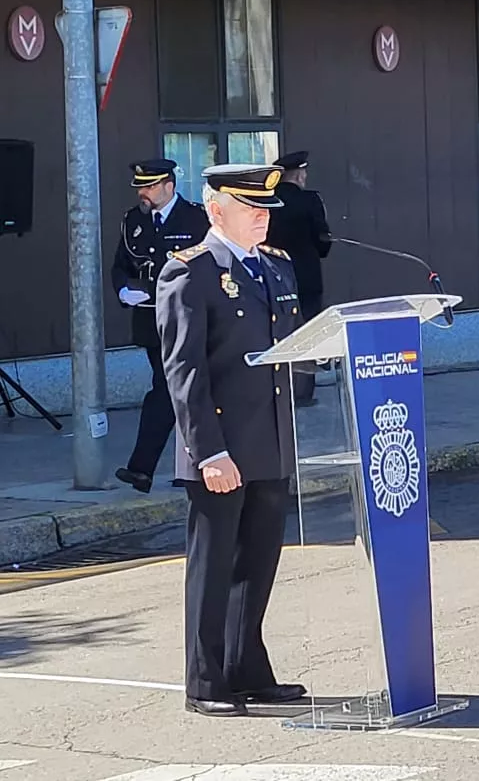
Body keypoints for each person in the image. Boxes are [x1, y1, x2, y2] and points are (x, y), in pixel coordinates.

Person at [156, 163, 308, 716]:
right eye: (251, 209)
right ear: (216, 210)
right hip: (220, 445)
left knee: (258, 562)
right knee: (214, 564)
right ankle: (206, 680)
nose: (263, 219)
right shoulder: (190, 272)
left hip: (269, 440)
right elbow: (185, 373)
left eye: (266, 209)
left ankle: (247, 668)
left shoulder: (275, 267)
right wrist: (209, 452)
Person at [112, 159, 211, 494]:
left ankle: (145, 467)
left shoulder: (197, 218)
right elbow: (121, 264)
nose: (143, 193)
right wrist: (124, 290)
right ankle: (185, 465)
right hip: (151, 322)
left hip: (189, 318)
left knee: (173, 390)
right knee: (173, 390)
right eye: (140, 186)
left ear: (169, 185)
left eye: (150, 186)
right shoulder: (133, 221)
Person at [266, 151, 333, 406]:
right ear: (299, 174)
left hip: (274, 277)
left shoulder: (269, 200)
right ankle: (303, 392)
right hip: (306, 278)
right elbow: (324, 242)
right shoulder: (310, 201)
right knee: (309, 334)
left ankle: (279, 389)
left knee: (279, 332)